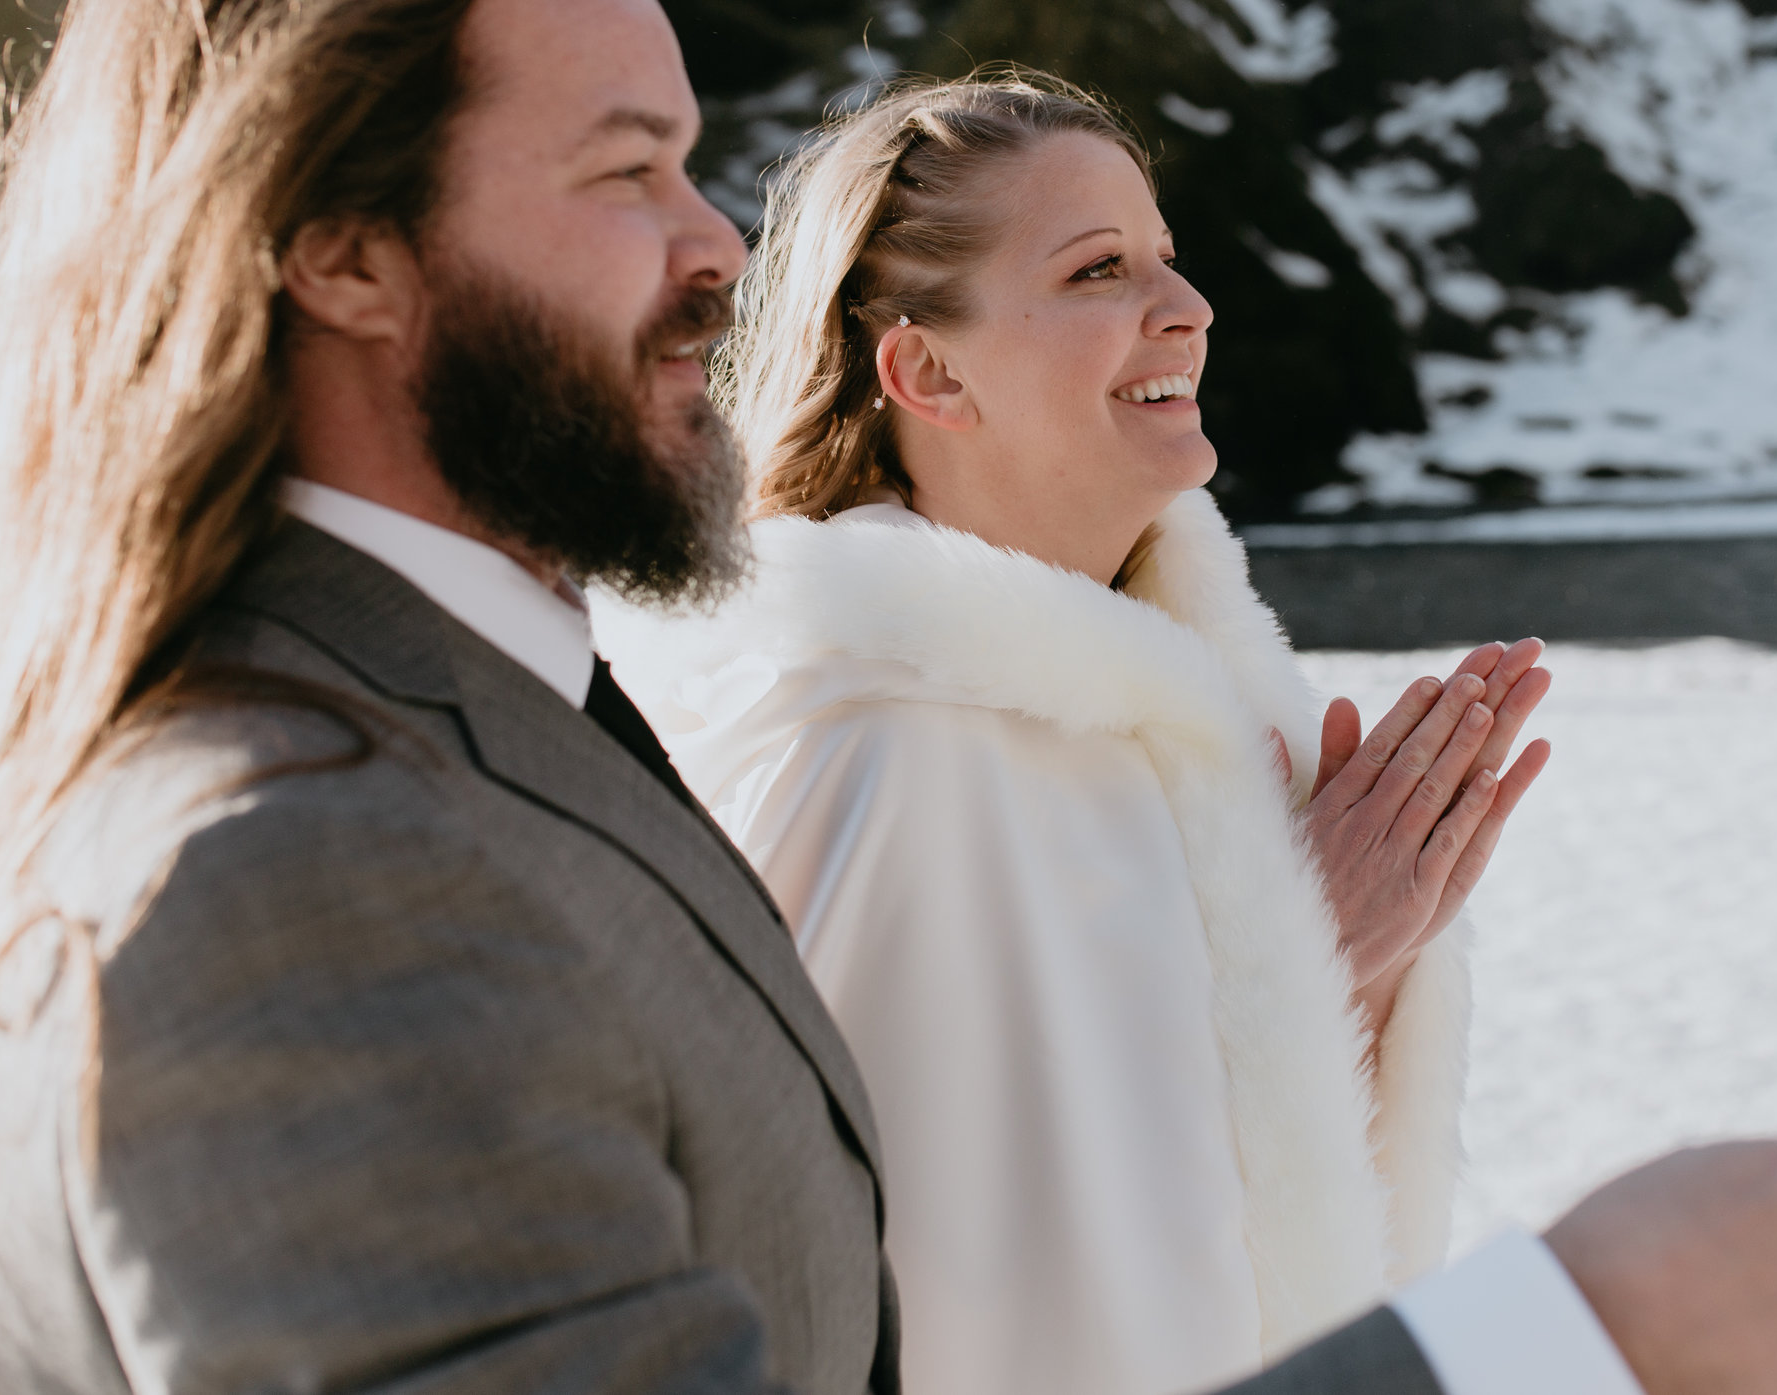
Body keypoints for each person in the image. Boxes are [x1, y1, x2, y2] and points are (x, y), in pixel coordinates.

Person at [0, 0, 1777, 1395]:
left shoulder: (484, 732)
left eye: (697, 166)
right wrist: (1565, 1337)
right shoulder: (295, 875)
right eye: (622, 174)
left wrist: (1261, 970)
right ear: (337, 250)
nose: (715, 250)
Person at [593, 73, 1555, 1395]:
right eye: (1101, 270)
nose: (1188, 309)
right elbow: (863, 1283)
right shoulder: (865, 749)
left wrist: (1332, 972)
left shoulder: (1199, 719)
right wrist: (1288, 961)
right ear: (928, 368)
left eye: (1166, 258)